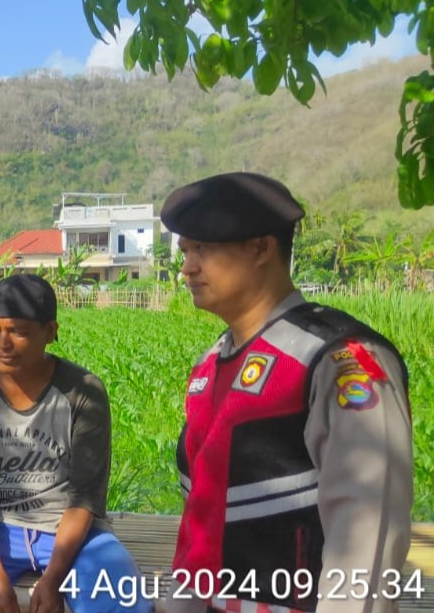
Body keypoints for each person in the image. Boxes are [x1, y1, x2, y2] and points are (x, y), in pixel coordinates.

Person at [160, 172, 412, 613]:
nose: (187, 267)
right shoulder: (208, 368)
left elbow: (367, 534)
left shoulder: (339, 358)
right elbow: (201, 521)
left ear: (261, 248)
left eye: (202, 247)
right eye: (185, 251)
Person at [0, 274, 149, 613]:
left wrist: (53, 579)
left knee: (120, 594)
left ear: (50, 332)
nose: (2, 343)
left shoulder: (82, 391)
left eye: (18, 331)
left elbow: (85, 496)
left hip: (69, 532)